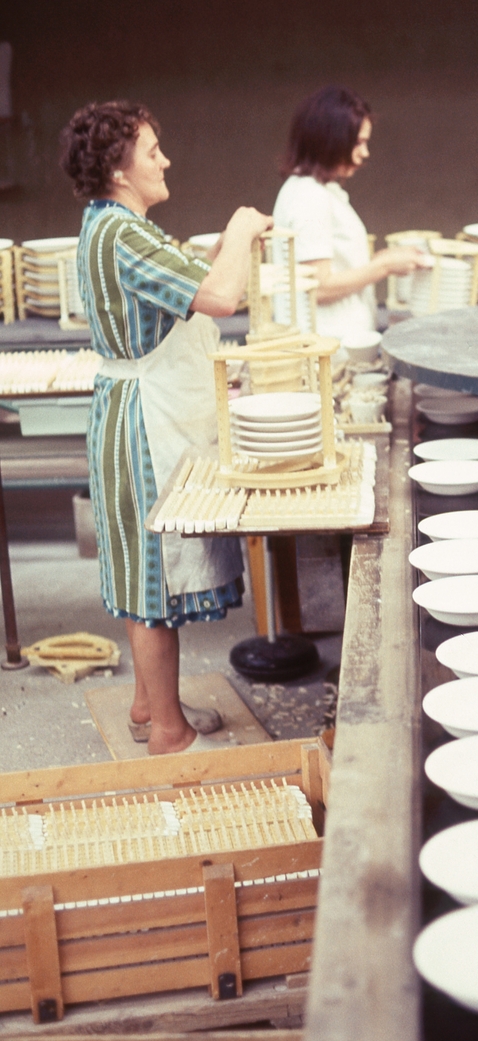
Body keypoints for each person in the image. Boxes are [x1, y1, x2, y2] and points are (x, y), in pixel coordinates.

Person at [60, 100, 272, 756]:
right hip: (142, 425)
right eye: (153, 151)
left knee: (141, 573)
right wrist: (241, 229)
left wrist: (225, 249)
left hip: (135, 412)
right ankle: (169, 735)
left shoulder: (115, 227)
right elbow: (220, 297)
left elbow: (193, 282)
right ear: (119, 171)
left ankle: (149, 706)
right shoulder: (122, 235)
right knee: (151, 581)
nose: (165, 161)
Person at [272, 84, 427, 339]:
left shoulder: (315, 190)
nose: (365, 153)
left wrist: (381, 259)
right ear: (330, 140)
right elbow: (319, 287)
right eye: (358, 143)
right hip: (329, 347)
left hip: (339, 343)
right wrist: (384, 266)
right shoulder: (309, 196)